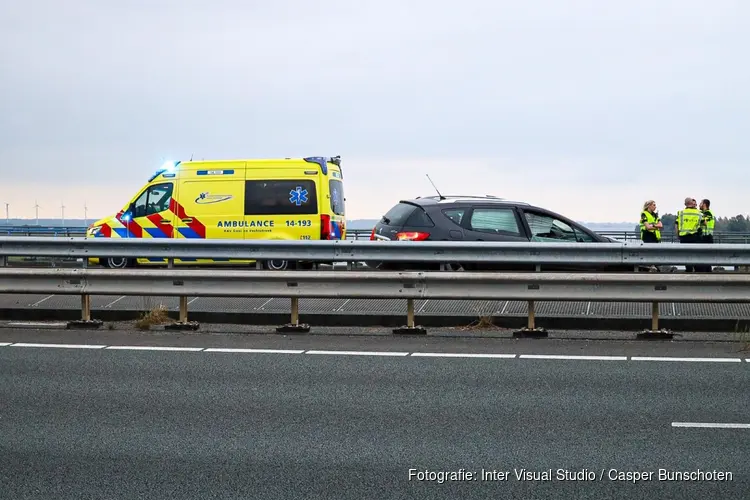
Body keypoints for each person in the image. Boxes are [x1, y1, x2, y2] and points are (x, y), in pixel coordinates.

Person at [675, 197, 702, 272]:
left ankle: (688, 270)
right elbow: (704, 224)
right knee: (696, 255)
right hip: (695, 237)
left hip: (684, 237)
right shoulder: (699, 213)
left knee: (686, 255)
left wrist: (678, 236)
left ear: (685, 204)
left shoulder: (681, 213)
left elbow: (676, 226)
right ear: (692, 203)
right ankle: (697, 271)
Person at [696, 199, 715, 273]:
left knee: (706, 257)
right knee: (705, 257)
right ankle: (706, 272)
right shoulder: (703, 213)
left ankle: (707, 273)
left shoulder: (708, 213)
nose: (699, 205)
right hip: (704, 237)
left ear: (704, 204)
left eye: (700, 203)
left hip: (707, 237)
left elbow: (704, 222)